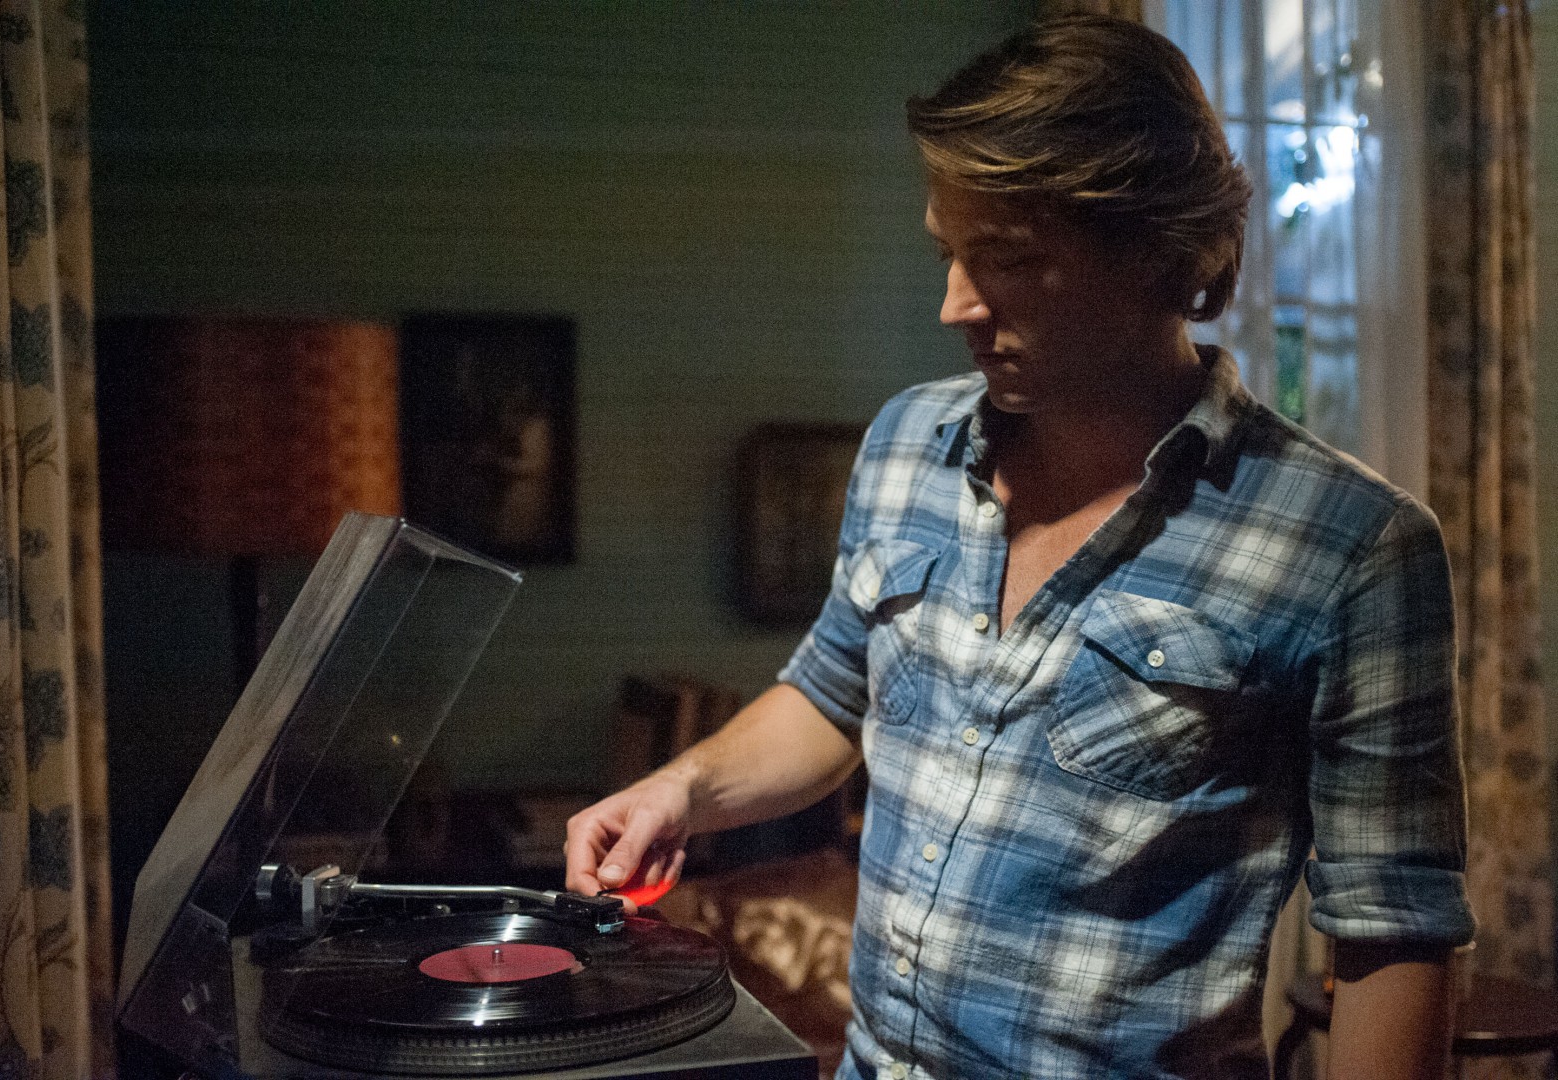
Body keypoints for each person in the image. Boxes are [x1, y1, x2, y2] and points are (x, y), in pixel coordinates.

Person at [565, 15, 1473, 1079]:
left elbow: (1392, 931)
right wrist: (680, 790)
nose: (953, 304)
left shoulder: (1356, 548)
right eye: (948, 252)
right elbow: (833, 694)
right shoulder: (906, 443)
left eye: (1007, 258)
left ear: (1158, 253)